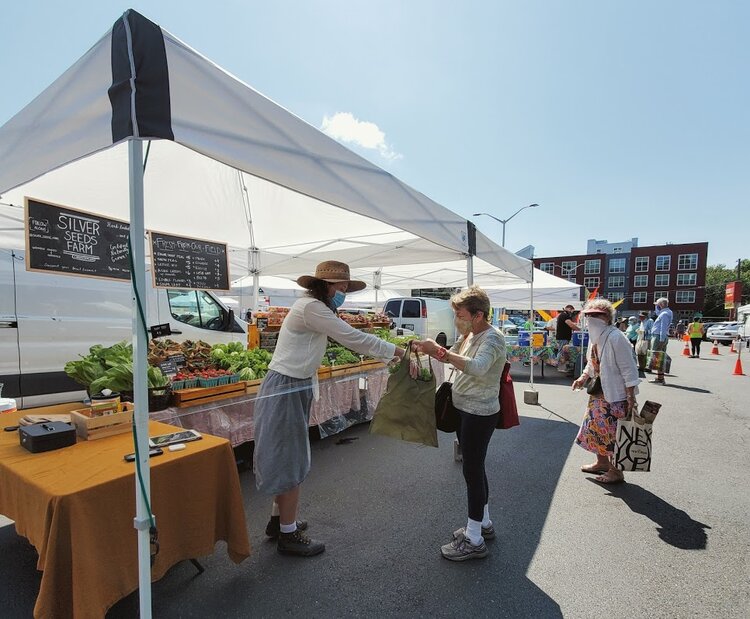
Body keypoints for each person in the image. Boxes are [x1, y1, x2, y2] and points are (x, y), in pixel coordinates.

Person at [253, 261, 406, 556]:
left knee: (286, 453)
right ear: (323, 286)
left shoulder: (314, 307)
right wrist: (398, 351)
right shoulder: (312, 308)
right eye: (341, 288)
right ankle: (287, 533)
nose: (344, 293)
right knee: (290, 456)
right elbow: (353, 337)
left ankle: (279, 520)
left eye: (346, 288)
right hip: (286, 386)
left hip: (292, 384)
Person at [415, 286, 507, 562]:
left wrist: (440, 352)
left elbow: (477, 366)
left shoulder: (493, 338)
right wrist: (425, 349)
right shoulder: (470, 334)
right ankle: (483, 524)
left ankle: (474, 538)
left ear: (478, 315)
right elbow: (454, 354)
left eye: (460, 314)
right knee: (474, 467)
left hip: (480, 412)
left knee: (472, 471)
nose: (456, 318)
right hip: (465, 408)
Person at [572, 299, 640, 484]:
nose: (592, 318)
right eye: (589, 315)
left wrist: (630, 396)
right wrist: (583, 378)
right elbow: (591, 362)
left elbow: (629, 369)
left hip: (615, 395)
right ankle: (601, 462)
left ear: (608, 318)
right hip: (598, 395)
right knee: (595, 430)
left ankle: (616, 470)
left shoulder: (617, 337)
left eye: (597, 314)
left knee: (614, 434)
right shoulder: (596, 337)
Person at [649, 297, 673, 384]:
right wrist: (656, 306)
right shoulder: (666, 312)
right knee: (659, 357)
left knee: (657, 357)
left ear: (661, 305)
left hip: (659, 336)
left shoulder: (664, 314)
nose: (657, 306)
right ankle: (660, 377)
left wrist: (662, 340)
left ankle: (660, 379)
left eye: (658, 305)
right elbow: (658, 313)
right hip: (660, 336)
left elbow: (663, 327)